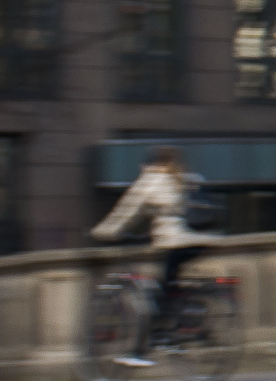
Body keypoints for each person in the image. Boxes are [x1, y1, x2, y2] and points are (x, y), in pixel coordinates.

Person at [90, 146, 219, 369]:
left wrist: (103, 232)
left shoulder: (152, 179)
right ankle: (181, 323)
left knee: (156, 298)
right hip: (202, 239)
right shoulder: (189, 178)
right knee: (169, 286)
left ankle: (142, 350)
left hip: (177, 242)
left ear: (148, 164)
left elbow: (127, 211)